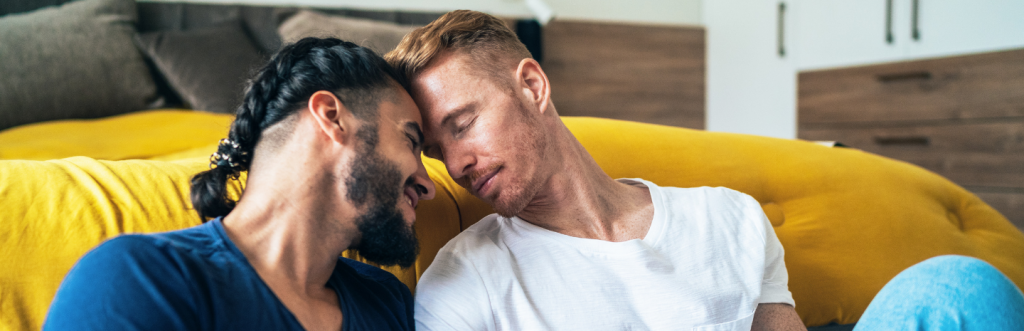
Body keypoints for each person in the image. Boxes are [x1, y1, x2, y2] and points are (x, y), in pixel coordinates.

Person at [385, 10, 1024, 330]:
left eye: (464, 124)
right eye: (440, 150)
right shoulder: (465, 283)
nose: (459, 165)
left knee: (957, 286)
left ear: (532, 85)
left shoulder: (728, 217)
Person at [45, 37, 436, 331]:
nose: (429, 184)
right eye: (411, 141)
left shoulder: (386, 302)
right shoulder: (138, 278)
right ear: (331, 117)